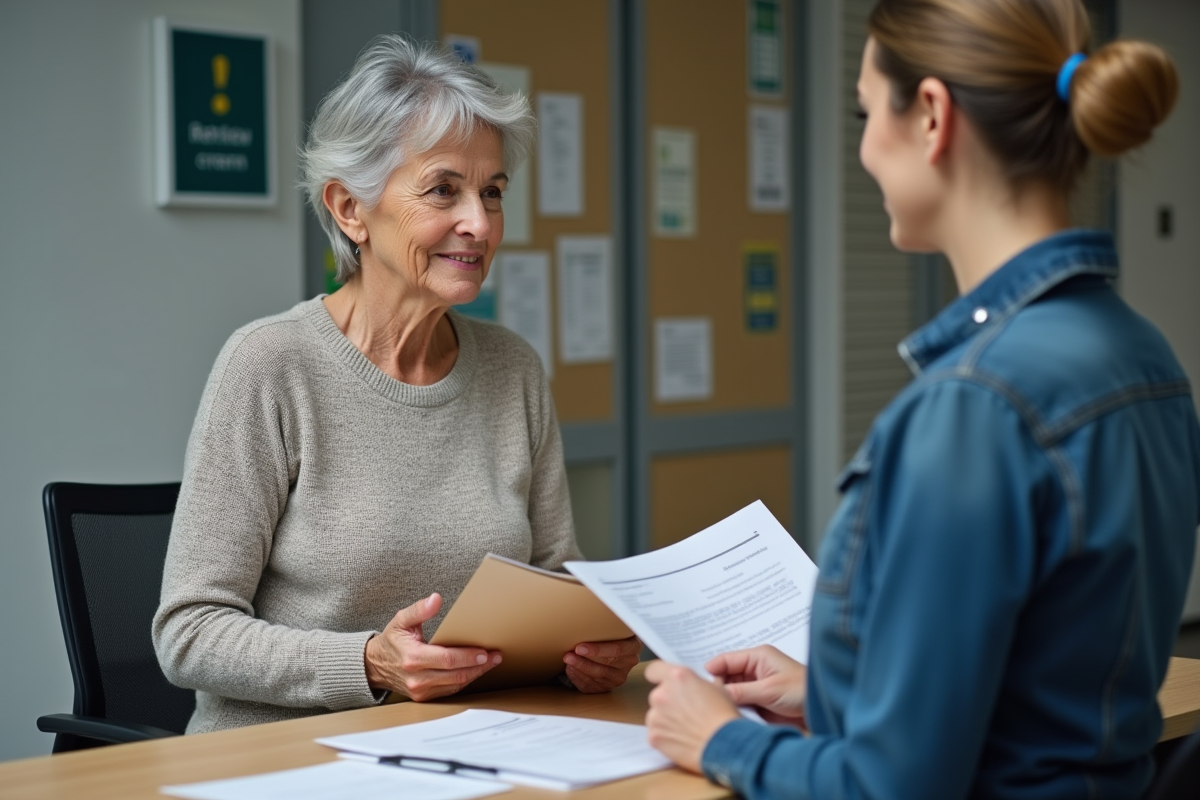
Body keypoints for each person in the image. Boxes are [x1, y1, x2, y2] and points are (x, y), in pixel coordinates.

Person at [643, 1, 1200, 797]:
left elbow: (892, 785)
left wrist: (724, 740)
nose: (865, 149)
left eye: (868, 113)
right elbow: (1049, 670)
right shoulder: (1145, 356)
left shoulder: (974, 406)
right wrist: (836, 694)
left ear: (932, 116)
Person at [152, 35, 638, 734]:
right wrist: (368, 664)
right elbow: (189, 634)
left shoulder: (513, 369)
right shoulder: (268, 364)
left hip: (469, 746)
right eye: (444, 189)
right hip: (284, 760)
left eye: (492, 193)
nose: (479, 222)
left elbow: (556, 582)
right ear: (351, 209)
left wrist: (589, 654)